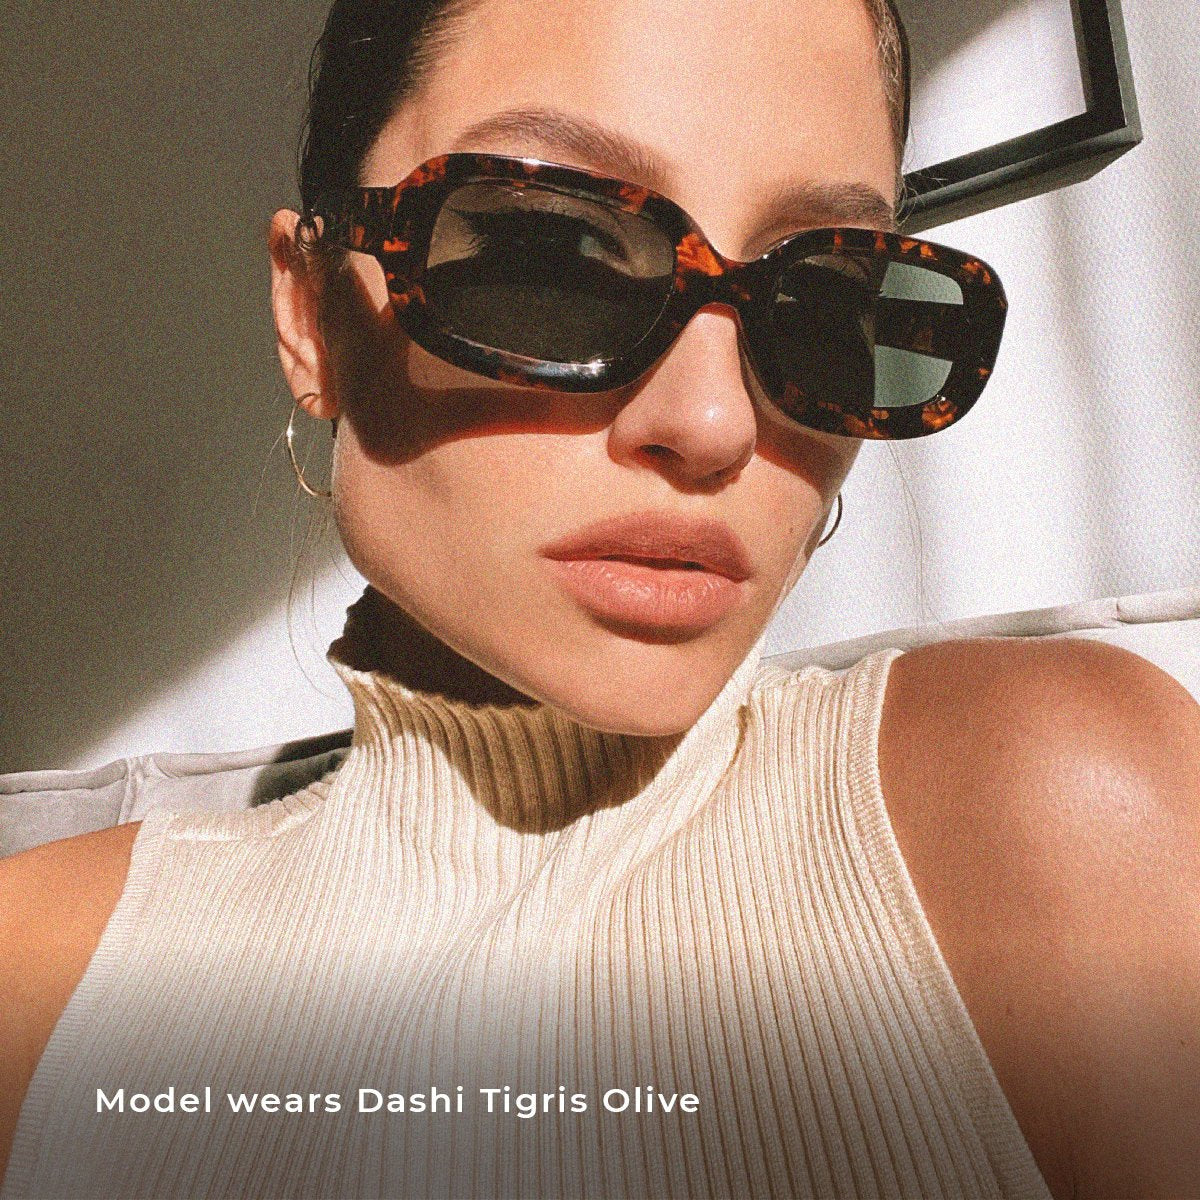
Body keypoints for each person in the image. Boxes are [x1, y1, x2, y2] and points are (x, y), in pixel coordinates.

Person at [2, 0, 1198, 1196]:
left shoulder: (1046, 802)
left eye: (825, 297)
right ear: (312, 315)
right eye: (549, 259)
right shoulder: (41, 968)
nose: (715, 423)